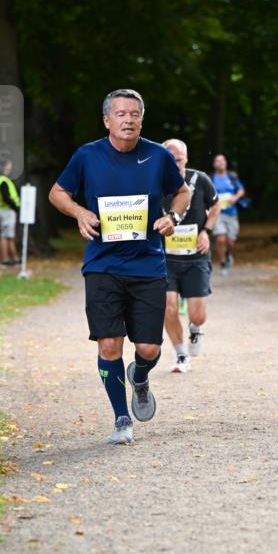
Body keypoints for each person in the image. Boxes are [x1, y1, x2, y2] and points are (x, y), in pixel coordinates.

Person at [48, 88, 190, 445]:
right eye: (121, 114)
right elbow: (57, 193)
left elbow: (182, 192)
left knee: (149, 350)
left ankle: (139, 378)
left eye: (135, 114)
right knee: (109, 344)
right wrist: (79, 211)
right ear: (107, 120)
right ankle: (121, 418)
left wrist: (172, 216)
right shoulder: (88, 155)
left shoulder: (158, 156)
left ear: (142, 119)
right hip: (102, 265)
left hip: (147, 266)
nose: (128, 120)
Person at [161, 138, 220, 373]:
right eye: (170, 160)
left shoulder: (200, 179)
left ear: (186, 158)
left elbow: (216, 207)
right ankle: (180, 355)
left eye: (179, 160)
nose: (175, 165)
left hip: (196, 256)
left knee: (198, 314)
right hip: (167, 258)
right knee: (168, 308)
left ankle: (195, 329)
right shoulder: (156, 182)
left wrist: (206, 231)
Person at [211, 153, 245, 274]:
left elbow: (241, 190)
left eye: (222, 160)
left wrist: (235, 197)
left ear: (226, 163)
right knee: (220, 239)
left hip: (232, 212)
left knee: (230, 241)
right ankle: (223, 263)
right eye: (218, 161)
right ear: (214, 164)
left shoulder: (232, 176)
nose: (220, 163)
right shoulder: (211, 178)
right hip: (218, 213)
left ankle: (227, 253)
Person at [0, 160, 21, 266]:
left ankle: (13, 258)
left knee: (8, 235)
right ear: (4, 167)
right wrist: (16, 207)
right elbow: (6, 197)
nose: (10, 168)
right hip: (6, 211)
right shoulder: (3, 181)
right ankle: (6, 260)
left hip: (2, 210)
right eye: (9, 166)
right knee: (5, 236)